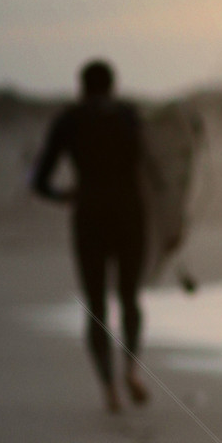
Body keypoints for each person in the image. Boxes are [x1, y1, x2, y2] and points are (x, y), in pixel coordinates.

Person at [32, 60, 149, 412]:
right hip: (130, 213)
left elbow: (39, 181)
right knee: (130, 298)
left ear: (81, 86)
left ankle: (109, 388)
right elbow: (152, 164)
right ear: (113, 85)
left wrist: (64, 195)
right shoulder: (130, 115)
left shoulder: (68, 120)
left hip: (90, 216)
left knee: (96, 306)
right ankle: (132, 370)